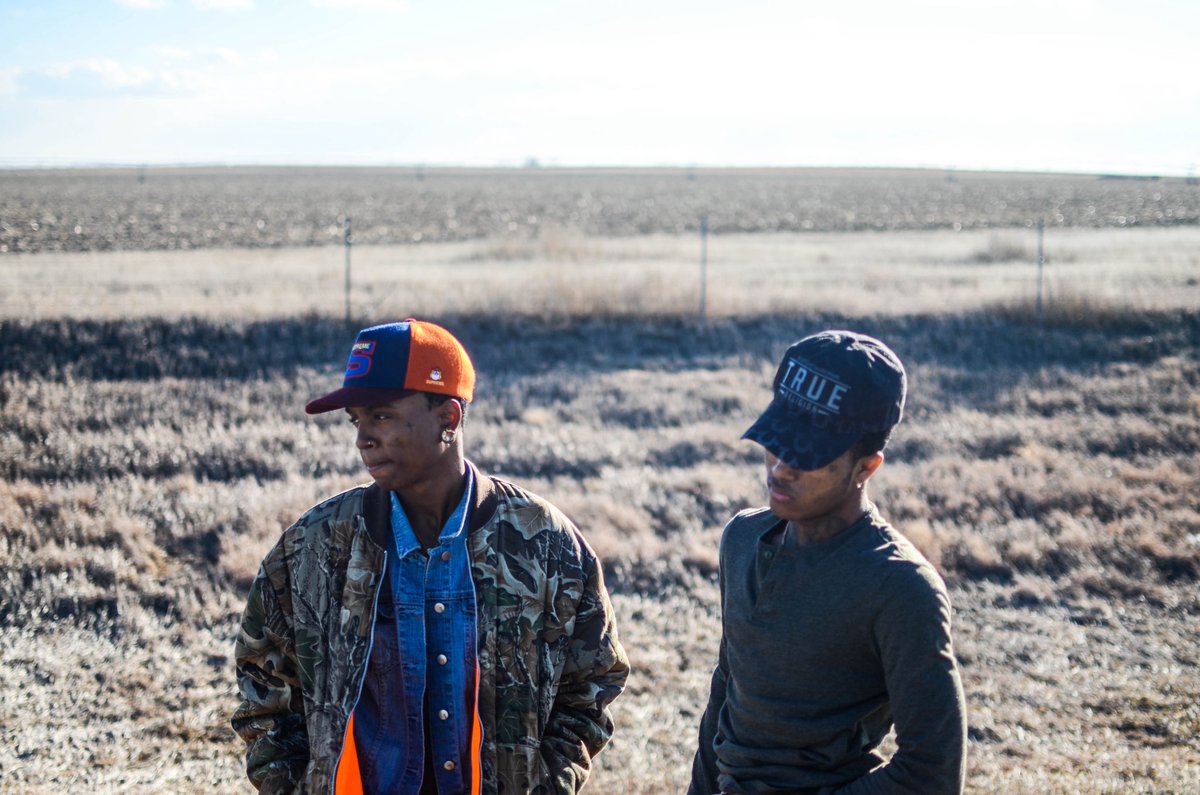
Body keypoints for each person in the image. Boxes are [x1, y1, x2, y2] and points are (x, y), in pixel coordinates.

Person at [232, 319, 629, 794]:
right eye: (356, 420)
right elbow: (262, 683)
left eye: (380, 415)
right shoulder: (311, 546)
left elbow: (591, 684)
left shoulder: (546, 543)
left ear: (449, 419)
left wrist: (546, 785)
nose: (362, 438)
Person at [689, 330, 967, 795]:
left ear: (866, 467)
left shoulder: (900, 587)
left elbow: (931, 773)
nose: (780, 468)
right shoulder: (742, 538)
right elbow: (727, 692)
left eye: (808, 455)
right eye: (777, 441)